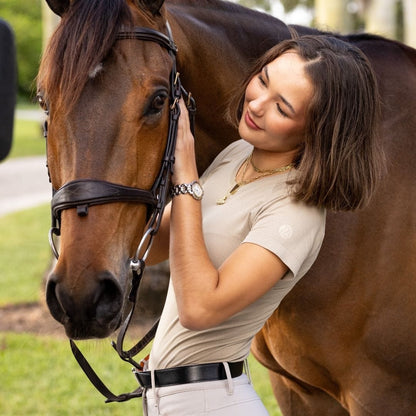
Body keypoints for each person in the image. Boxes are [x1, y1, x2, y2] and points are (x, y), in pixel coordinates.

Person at [136, 35, 383, 415]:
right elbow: (151, 248)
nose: (256, 103)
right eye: (263, 80)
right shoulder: (238, 155)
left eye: (282, 108)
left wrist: (186, 179)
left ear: (317, 130)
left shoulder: (296, 212)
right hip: (175, 397)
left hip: (211, 403)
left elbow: (200, 309)